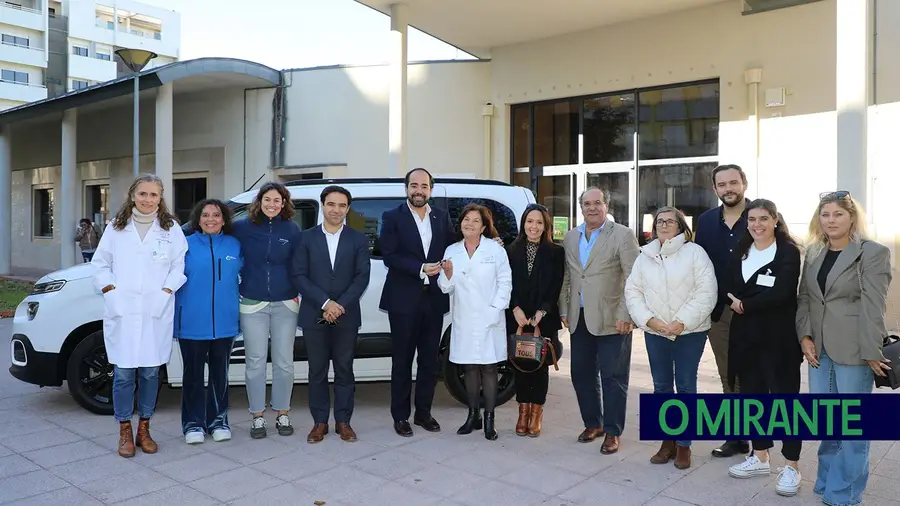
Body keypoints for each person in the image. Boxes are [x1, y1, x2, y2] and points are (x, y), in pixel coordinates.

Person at [796, 191, 891, 506]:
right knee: (827, 421)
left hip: (854, 349)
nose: (831, 220)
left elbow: (873, 305)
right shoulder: (813, 253)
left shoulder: (872, 253)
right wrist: (805, 336)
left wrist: (872, 349)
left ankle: (845, 493)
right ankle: (827, 482)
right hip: (818, 350)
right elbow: (806, 299)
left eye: (838, 214)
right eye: (825, 214)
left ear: (852, 217)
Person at [91, 174, 187, 458]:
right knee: (122, 375)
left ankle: (144, 427)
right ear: (133, 195)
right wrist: (111, 292)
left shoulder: (171, 229)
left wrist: (165, 292)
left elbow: (178, 267)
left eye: (154, 195)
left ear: (161, 198)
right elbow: (100, 265)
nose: (148, 200)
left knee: (149, 373)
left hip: (156, 310)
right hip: (123, 310)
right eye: (143, 194)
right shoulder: (116, 228)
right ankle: (124, 430)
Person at [721, 199, 804, 495]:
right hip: (746, 337)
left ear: (776, 221)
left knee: (785, 401)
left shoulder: (788, 252)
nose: (757, 225)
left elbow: (782, 293)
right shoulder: (741, 251)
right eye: (752, 219)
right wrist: (743, 302)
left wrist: (745, 303)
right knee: (752, 397)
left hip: (778, 339)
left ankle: (792, 466)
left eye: (764, 219)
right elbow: (729, 284)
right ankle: (760, 455)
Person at [624, 206, 716, 469]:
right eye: (659, 222)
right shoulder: (645, 256)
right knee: (661, 386)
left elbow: (706, 291)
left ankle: (684, 444)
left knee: (685, 386)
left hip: (689, 331)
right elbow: (633, 292)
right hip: (656, 331)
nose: (664, 225)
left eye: (669, 221)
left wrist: (681, 321)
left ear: (680, 226)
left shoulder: (695, 253)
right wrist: (649, 320)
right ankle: (667, 441)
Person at [559, 186, 639, 454]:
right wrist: (563, 308)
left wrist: (626, 314)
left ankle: (613, 431)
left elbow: (633, 277)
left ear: (606, 205)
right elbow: (568, 277)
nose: (591, 208)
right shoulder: (571, 237)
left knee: (613, 377)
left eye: (597, 203)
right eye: (586, 204)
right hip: (579, 317)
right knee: (580, 373)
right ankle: (593, 423)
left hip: (612, 319)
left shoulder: (623, 235)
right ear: (580, 207)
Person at [379, 168, 456, 437]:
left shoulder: (441, 217)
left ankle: (423, 413)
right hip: (403, 300)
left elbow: (456, 244)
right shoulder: (392, 217)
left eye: (424, 186)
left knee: (429, 362)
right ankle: (400, 416)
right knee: (402, 361)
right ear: (406, 188)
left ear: (431, 190)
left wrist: (487, 240)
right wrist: (421, 268)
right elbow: (388, 255)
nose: (419, 190)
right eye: (414, 185)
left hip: (434, 301)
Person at [291, 185, 370, 444]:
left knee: (345, 370)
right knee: (317, 371)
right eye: (331, 204)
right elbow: (299, 275)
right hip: (315, 312)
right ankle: (320, 422)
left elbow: (361, 278)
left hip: (346, 315)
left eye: (342, 205)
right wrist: (326, 303)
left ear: (348, 209)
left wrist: (339, 305)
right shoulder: (305, 238)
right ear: (323, 205)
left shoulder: (358, 239)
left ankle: (344, 422)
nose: (336, 210)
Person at [232, 181, 302, 439]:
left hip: (286, 303)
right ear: (259, 201)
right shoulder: (241, 227)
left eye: (277, 200)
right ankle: (257, 416)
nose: (272, 204)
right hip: (252, 303)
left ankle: (283, 412)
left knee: (284, 362)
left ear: (284, 203)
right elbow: (217, 237)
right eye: (267, 199)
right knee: (255, 362)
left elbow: (299, 265)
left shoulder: (292, 229)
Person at [438, 203, 512, 440]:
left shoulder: (495, 250)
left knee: (489, 368)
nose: (469, 224)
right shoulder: (451, 250)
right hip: (464, 318)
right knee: (469, 367)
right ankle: (473, 415)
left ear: (483, 226)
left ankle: (490, 418)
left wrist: (494, 310)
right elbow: (444, 286)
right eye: (466, 219)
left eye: (475, 221)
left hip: (490, 317)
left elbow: (505, 284)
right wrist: (448, 275)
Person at [694, 163, 751, 458]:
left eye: (733, 182)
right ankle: (737, 437)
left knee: (756, 374)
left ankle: (761, 439)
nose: (728, 189)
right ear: (715, 189)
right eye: (722, 184)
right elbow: (698, 264)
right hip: (719, 313)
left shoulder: (763, 214)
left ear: (744, 183)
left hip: (756, 312)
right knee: (729, 376)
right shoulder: (705, 221)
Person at [174, 199, 242, 445]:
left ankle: (218, 421)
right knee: (192, 375)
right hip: (191, 322)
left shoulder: (235, 246)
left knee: (219, 375)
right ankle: (192, 424)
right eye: (205, 215)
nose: (210, 219)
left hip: (224, 323)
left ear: (224, 219)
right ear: (197, 219)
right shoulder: (185, 246)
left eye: (216, 215)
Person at [506, 204, 564, 437]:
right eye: (530, 221)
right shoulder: (511, 249)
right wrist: (515, 308)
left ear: (546, 226)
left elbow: (556, 286)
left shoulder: (555, 252)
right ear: (523, 223)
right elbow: (505, 282)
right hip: (517, 316)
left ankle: (536, 413)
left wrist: (542, 311)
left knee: (539, 366)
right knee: (520, 365)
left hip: (544, 317)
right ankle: (523, 412)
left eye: (539, 222)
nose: (534, 226)